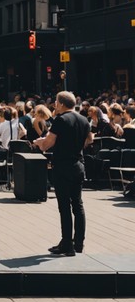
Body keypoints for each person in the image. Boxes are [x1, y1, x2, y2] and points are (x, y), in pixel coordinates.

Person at [34, 91, 93, 256]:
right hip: (78, 164)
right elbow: (89, 140)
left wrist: (40, 143)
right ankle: (79, 243)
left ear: (60, 104)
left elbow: (47, 144)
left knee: (64, 206)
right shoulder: (83, 119)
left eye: (56, 102)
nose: (54, 105)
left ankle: (66, 242)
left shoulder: (60, 120)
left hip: (62, 166)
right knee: (78, 204)